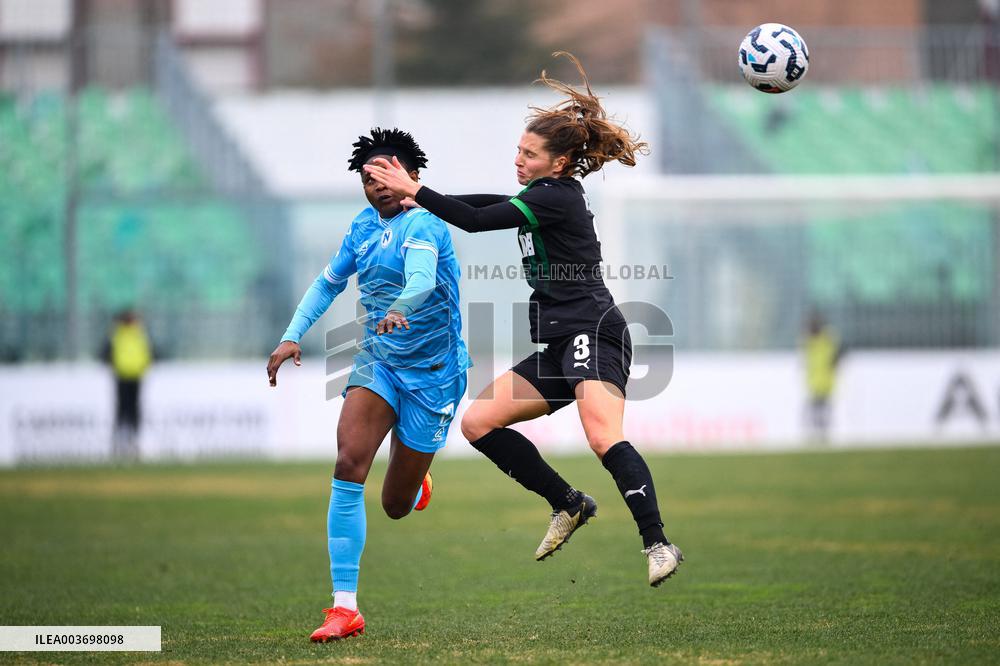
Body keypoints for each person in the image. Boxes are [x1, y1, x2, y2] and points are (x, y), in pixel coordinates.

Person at [364, 53, 683, 587]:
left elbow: (477, 219)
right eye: (518, 149)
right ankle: (568, 502)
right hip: (559, 340)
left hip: (593, 331)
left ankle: (658, 543)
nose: (519, 159)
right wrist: (413, 201)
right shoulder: (540, 195)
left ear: (558, 164)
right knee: (478, 423)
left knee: (603, 436)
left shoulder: (556, 198)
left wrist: (416, 191)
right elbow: (487, 203)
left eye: (529, 154)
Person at [266, 128, 469, 641]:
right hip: (379, 362)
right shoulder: (361, 226)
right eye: (367, 177)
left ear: (412, 176)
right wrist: (292, 336)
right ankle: (344, 607)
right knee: (348, 462)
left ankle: (413, 472)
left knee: (394, 506)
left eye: (385, 173)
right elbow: (328, 281)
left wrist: (400, 308)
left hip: (434, 375)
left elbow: (421, 280)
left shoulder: (426, 222)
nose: (376, 184)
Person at [100, 309, 153, 460]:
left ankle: (133, 440)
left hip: (136, 376)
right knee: (122, 409)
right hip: (122, 376)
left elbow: (149, 353)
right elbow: (106, 354)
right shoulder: (118, 335)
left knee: (133, 409)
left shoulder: (139, 334)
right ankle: (120, 440)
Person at [803, 312, 844, 442]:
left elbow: (838, 353)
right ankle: (817, 434)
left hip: (825, 381)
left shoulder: (826, 338)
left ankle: (823, 434)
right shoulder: (810, 340)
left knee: (822, 409)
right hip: (815, 381)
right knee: (816, 409)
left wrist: (835, 362)